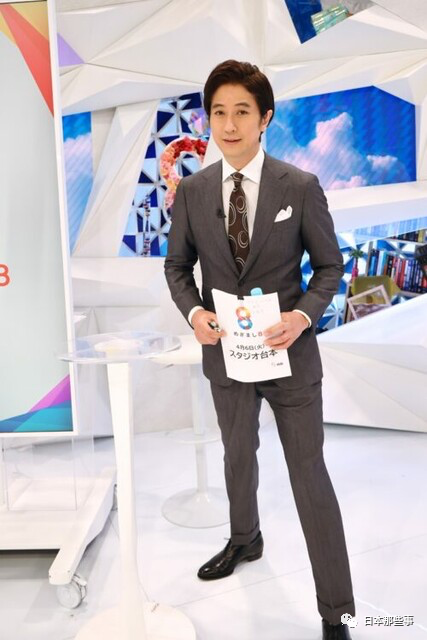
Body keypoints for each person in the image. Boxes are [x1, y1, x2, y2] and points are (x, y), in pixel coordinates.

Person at [164, 59, 355, 640]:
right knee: (237, 456)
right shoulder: (193, 191)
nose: (229, 124)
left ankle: (338, 612)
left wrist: (302, 315)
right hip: (228, 356)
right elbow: (177, 267)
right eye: (219, 112)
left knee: (309, 476)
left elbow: (330, 268)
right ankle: (244, 539)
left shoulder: (300, 186)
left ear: (264, 118)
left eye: (242, 111)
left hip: (290, 357)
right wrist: (195, 313)